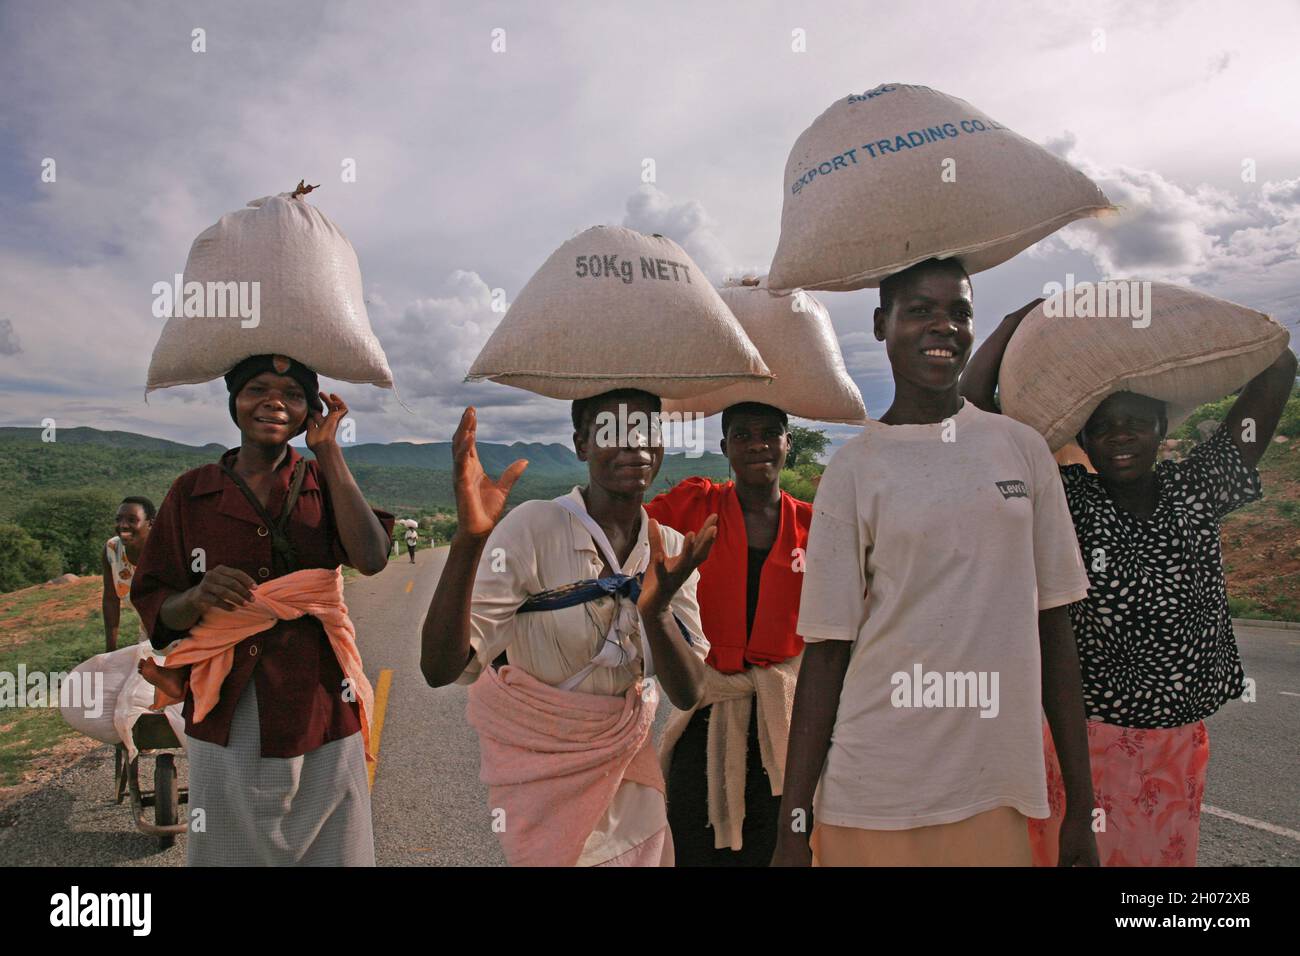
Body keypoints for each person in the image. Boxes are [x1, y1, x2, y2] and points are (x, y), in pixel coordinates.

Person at [772, 258, 1099, 867]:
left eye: (960, 312)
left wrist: (1081, 806)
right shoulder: (854, 470)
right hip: (874, 792)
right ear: (881, 325)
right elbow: (827, 652)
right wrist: (794, 823)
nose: (943, 326)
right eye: (920, 310)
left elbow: (1056, 630)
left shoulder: (1021, 451)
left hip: (992, 790)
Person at [961, 299, 1297, 866]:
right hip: (1085, 745)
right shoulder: (1069, 501)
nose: (1120, 436)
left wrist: (1169, 310)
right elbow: (972, 419)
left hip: (1179, 747)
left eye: (1136, 422)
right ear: (1084, 440)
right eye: (1103, 425)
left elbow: (1279, 365)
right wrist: (1014, 324)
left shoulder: (1198, 490)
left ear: (1162, 428)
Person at [420, 391, 714, 866]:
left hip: (627, 776)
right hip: (543, 778)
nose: (633, 445)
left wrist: (656, 611)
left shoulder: (671, 547)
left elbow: (689, 691)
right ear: (580, 445)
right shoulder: (533, 527)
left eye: (645, 432)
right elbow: (441, 668)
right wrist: (469, 542)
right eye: (610, 432)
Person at [131, 353, 394, 866]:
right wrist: (199, 595)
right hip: (228, 701)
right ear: (234, 400)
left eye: (292, 394)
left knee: (333, 842)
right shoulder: (192, 493)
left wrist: (329, 452)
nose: (274, 402)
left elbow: (371, 557)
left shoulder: (324, 482)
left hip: (322, 695)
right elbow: (160, 607)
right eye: (257, 389)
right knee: (230, 844)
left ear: (309, 410)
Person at [644, 401, 811, 866]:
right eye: (742, 435)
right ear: (724, 448)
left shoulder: (814, 526)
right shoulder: (696, 505)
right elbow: (626, 535)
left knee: (779, 846)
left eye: (770, 433)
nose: (757, 444)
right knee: (695, 843)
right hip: (707, 706)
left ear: (787, 443)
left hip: (786, 718)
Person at [102, 496, 155, 652]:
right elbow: (111, 600)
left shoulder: (166, 550)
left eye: (132, 520)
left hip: (184, 634)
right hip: (149, 635)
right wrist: (110, 651)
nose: (123, 526)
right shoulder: (112, 550)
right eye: (119, 519)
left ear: (150, 523)